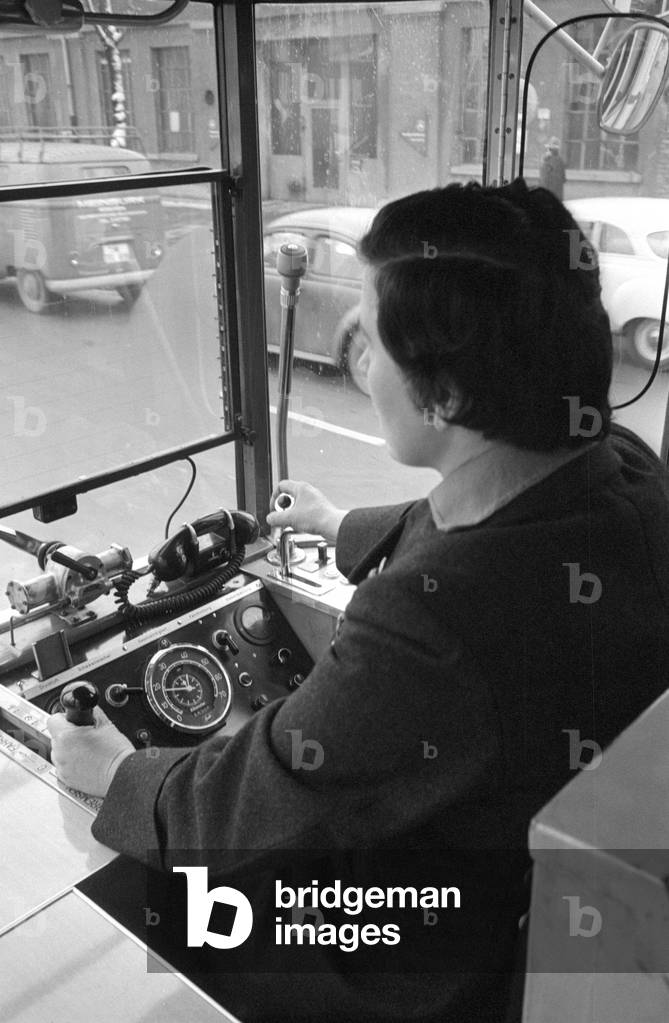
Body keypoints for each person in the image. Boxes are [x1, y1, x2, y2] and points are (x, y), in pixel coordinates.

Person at [48, 179, 669, 1023]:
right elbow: (481, 514)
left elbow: (251, 804)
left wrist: (118, 778)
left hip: (443, 955)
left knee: (161, 899)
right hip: (530, 868)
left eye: (370, 344)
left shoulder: (433, 619)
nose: (357, 363)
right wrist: (343, 526)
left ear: (444, 396)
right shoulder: (621, 463)